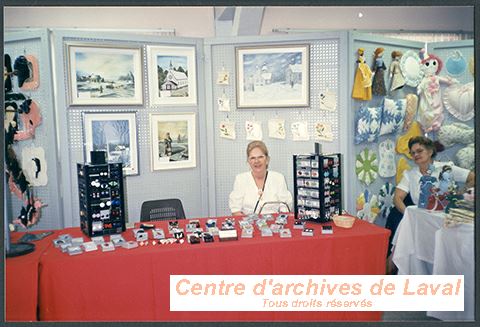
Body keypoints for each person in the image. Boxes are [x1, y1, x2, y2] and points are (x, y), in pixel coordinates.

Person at [386, 136, 474, 273]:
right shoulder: (410, 174)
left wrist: (460, 192)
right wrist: (409, 215)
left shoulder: (446, 168)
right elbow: (397, 198)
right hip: (421, 220)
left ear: (430, 151)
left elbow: (472, 177)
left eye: (419, 151)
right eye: (412, 153)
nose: (415, 155)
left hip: (445, 219)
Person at [229, 141, 293, 215]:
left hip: (274, 223)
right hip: (248, 223)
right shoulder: (240, 179)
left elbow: (285, 208)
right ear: (248, 161)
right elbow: (235, 211)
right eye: (252, 158)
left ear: (267, 160)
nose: (257, 161)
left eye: (260, 157)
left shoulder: (279, 178)